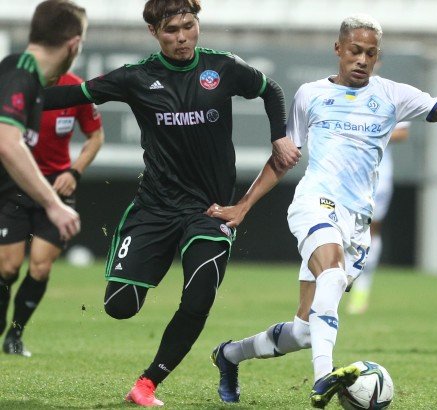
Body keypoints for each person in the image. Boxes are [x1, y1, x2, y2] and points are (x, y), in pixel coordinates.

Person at [209, 14, 437, 408]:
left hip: (357, 221)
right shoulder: (310, 95)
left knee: (304, 331)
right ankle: (323, 377)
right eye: (355, 51)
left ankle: (229, 355)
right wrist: (243, 206)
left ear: (377, 56)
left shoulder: (393, 95)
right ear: (338, 49)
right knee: (332, 273)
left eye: (370, 53)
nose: (362, 60)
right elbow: (283, 159)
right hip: (315, 202)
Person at [42, 0, 300, 406]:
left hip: (210, 210)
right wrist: (14, 98)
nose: (182, 37)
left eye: (188, 26)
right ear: (154, 32)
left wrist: (279, 136)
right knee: (120, 307)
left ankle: (147, 384)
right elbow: (73, 94)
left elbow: (271, 90)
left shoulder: (223, 68)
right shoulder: (136, 77)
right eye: (171, 30)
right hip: (155, 208)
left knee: (199, 298)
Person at [0, 70, 104, 357]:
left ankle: (15, 334)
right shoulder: (15, 85)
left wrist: (75, 172)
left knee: (41, 267)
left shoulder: (76, 89)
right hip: (15, 185)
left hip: (57, 189)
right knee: (7, 267)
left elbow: (96, 136)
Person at [0, 1, 85, 301]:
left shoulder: (20, 71)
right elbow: (8, 143)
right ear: (74, 45)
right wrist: (53, 204)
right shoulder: (20, 77)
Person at [346, 121, 409, 315]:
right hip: (345, 172)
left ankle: (362, 288)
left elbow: (402, 133)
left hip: (378, 175)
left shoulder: (391, 101)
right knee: (340, 226)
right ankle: (332, 283)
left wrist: (366, 133)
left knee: (371, 229)